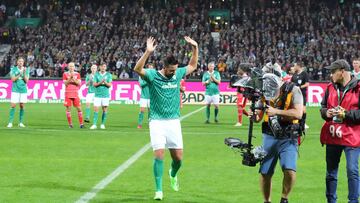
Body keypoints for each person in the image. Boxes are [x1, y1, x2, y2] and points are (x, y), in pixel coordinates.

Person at [134, 36, 198, 201]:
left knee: (178, 159)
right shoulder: (153, 75)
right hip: (156, 121)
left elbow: (192, 65)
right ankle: (159, 190)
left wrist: (195, 48)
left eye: (176, 70)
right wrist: (148, 52)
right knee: (159, 155)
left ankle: (173, 173)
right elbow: (137, 69)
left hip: (173, 122)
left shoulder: (177, 74)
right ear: (164, 67)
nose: (174, 73)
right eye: (171, 70)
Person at [253, 71, 303, 203]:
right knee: (265, 172)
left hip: (288, 136)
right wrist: (254, 116)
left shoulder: (294, 90)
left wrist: (276, 111)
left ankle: (284, 198)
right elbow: (258, 117)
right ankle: (266, 201)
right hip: (269, 135)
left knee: (289, 170)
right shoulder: (264, 90)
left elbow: (298, 113)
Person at [320, 59, 360, 203]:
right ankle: (331, 201)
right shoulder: (330, 87)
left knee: (352, 171)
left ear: (342, 72)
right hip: (333, 135)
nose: (331, 75)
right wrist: (327, 113)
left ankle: (353, 201)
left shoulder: (359, 88)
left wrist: (346, 114)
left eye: (333, 71)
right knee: (331, 173)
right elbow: (323, 107)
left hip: (352, 137)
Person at [7, 57, 30, 128]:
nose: (20, 63)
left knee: (22, 106)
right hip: (15, 90)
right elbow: (13, 79)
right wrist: (20, 73)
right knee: (13, 105)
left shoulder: (26, 70)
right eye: (19, 61)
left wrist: (23, 73)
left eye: (22, 61)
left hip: (23, 90)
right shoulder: (13, 69)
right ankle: (10, 122)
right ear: (17, 62)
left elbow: (26, 81)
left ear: (23, 63)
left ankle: (20, 122)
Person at [90, 62, 112, 130]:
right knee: (96, 109)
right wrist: (101, 82)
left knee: (104, 110)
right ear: (99, 67)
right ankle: (94, 124)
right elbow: (94, 84)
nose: (103, 68)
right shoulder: (96, 74)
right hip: (97, 95)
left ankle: (102, 124)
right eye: (102, 66)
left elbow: (109, 85)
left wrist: (104, 82)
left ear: (106, 67)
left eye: (104, 66)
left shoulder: (109, 75)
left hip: (105, 95)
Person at [62, 62, 84, 128]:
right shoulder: (65, 74)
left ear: (74, 67)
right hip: (68, 93)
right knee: (68, 109)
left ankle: (81, 124)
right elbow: (65, 83)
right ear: (68, 67)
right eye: (70, 66)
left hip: (75, 93)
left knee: (79, 108)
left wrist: (73, 79)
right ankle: (70, 124)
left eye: (72, 66)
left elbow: (79, 84)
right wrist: (70, 78)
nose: (71, 67)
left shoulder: (77, 74)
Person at [291, 60, 309, 129]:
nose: (294, 67)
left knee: (303, 110)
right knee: (295, 108)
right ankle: (296, 123)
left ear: (299, 66)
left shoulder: (304, 74)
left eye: (295, 65)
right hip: (294, 95)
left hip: (302, 94)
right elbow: (292, 83)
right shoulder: (294, 74)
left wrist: (299, 87)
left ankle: (303, 123)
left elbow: (307, 84)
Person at [137, 63, 153, 129]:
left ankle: (150, 123)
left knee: (150, 111)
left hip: (151, 96)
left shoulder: (154, 76)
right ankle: (139, 124)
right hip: (143, 96)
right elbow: (141, 84)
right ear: (146, 69)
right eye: (149, 68)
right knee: (142, 111)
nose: (151, 69)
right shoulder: (142, 76)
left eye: (152, 68)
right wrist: (148, 80)